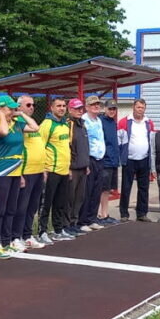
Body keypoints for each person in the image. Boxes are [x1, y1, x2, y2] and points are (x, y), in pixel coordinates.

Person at [0, 95, 36, 258]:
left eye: (15, 108)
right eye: (10, 108)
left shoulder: (17, 123)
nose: (13, 111)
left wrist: (21, 114)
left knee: (11, 209)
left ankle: (7, 243)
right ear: (1, 108)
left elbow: (35, 127)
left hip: (15, 171)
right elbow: (3, 131)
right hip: (1, 172)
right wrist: (2, 117)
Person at [11, 95, 46, 250]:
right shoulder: (18, 123)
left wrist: (43, 168)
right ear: (19, 107)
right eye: (28, 105)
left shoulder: (32, 122)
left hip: (38, 170)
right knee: (22, 206)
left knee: (33, 206)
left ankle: (27, 235)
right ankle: (15, 236)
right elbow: (34, 129)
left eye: (33, 105)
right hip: (26, 170)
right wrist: (20, 114)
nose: (31, 107)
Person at [37, 98, 73, 242]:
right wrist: (44, 169)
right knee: (46, 203)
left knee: (60, 203)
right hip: (51, 169)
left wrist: (68, 168)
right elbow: (40, 146)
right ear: (52, 108)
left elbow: (66, 147)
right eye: (58, 106)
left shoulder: (65, 124)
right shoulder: (47, 125)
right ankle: (42, 232)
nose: (62, 108)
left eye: (64, 106)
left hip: (63, 170)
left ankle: (58, 230)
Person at [117, 99, 155, 222]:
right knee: (126, 187)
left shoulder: (149, 123)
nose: (140, 110)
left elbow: (152, 141)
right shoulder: (124, 122)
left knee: (143, 188)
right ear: (133, 107)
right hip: (129, 160)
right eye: (138, 107)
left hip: (144, 159)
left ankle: (142, 213)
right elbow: (119, 141)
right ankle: (124, 214)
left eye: (142, 107)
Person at [78, 96, 105, 232]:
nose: (96, 107)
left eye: (97, 104)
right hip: (89, 159)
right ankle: (82, 220)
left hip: (100, 159)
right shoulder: (84, 121)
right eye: (93, 105)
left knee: (96, 190)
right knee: (86, 191)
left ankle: (92, 218)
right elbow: (83, 143)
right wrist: (85, 162)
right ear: (87, 107)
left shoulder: (99, 120)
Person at [65, 98, 90, 235]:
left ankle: (74, 222)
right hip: (72, 167)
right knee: (70, 197)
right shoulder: (69, 125)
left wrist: (86, 163)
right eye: (77, 108)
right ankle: (66, 224)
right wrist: (68, 167)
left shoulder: (83, 124)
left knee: (79, 197)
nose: (80, 111)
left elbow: (85, 145)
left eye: (81, 108)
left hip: (82, 166)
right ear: (70, 110)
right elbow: (67, 146)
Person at [97, 101, 120, 225]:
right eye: (110, 108)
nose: (112, 111)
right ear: (105, 109)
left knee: (108, 189)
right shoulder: (100, 121)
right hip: (104, 160)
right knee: (102, 188)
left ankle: (105, 213)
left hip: (113, 161)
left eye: (114, 109)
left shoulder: (113, 123)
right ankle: (100, 214)